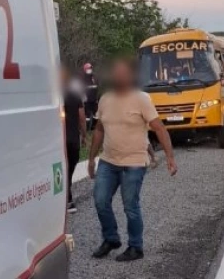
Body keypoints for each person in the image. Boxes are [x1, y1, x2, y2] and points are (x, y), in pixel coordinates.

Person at [88, 58, 177, 262]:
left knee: (130, 206)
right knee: (101, 201)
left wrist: (170, 157)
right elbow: (99, 130)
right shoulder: (105, 99)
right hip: (108, 161)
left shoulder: (142, 99)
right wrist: (92, 158)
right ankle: (111, 239)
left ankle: (136, 247)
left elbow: (159, 128)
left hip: (134, 163)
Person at [62, 67, 87, 214]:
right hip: (72, 139)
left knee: (63, 170)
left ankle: (66, 197)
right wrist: (84, 136)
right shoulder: (75, 95)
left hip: (59, 140)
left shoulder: (53, 96)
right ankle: (68, 199)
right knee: (70, 168)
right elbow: (82, 118)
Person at [82, 62, 100, 130]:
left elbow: (97, 88)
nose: (90, 69)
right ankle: (87, 128)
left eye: (91, 68)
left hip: (94, 99)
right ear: (85, 69)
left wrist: (97, 98)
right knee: (87, 116)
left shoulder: (94, 77)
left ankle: (93, 127)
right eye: (89, 68)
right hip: (86, 100)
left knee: (96, 115)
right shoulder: (83, 78)